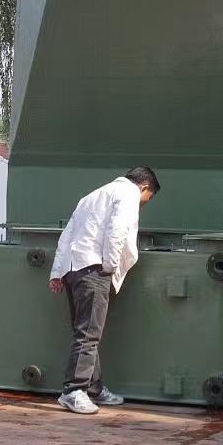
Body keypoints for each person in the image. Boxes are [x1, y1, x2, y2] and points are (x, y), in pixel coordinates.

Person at [48, 167, 160, 415]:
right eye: (148, 198)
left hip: (73, 268)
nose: (144, 203)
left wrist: (57, 272)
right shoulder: (128, 193)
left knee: (86, 330)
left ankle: (94, 388)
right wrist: (109, 265)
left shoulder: (92, 196)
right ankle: (73, 391)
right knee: (89, 334)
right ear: (144, 187)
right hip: (94, 269)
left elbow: (67, 235)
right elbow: (117, 230)